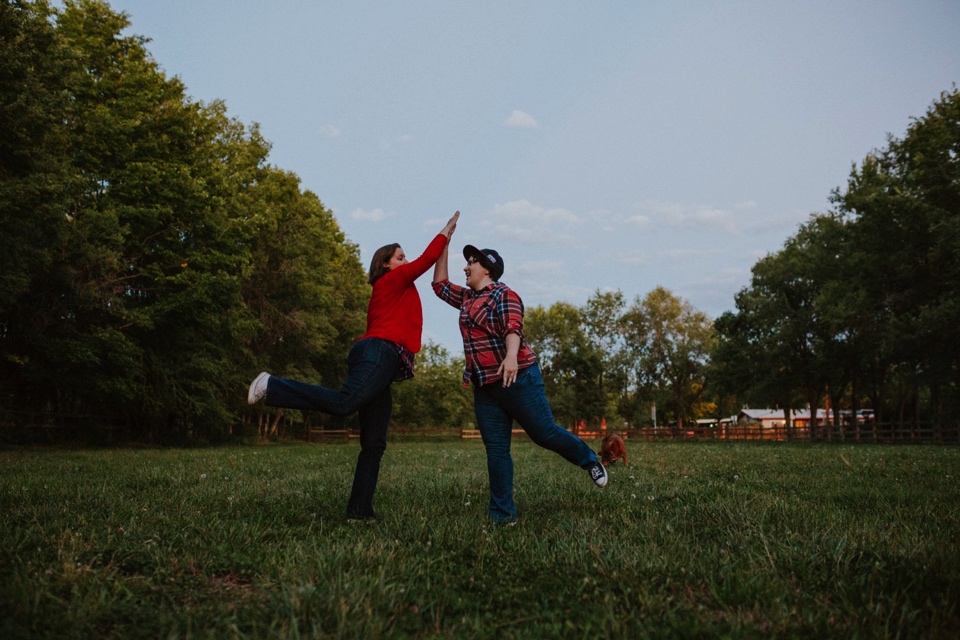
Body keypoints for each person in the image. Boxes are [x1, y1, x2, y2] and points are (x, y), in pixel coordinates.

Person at [248, 211, 460, 521]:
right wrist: (446, 230)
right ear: (386, 263)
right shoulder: (392, 279)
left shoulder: (396, 287)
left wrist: (446, 245)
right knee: (345, 402)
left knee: (374, 443)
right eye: (400, 257)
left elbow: (432, 266)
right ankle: (272, 385)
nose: (405, 260)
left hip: (382, 361)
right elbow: (426, 260)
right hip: (378, 352)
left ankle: (359, 511)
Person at [432, 242, 607, 524]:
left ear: (487, 269)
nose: (465, 266)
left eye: (472, 262)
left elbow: (513, 326)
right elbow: (439, 284)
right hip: (486, 387)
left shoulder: (504, 294)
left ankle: (589, 461)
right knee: (497, 450)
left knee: (545, 433)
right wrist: (444, 243)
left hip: (518, 378)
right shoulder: (466, 299)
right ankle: (503, 516)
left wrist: (511, 356)